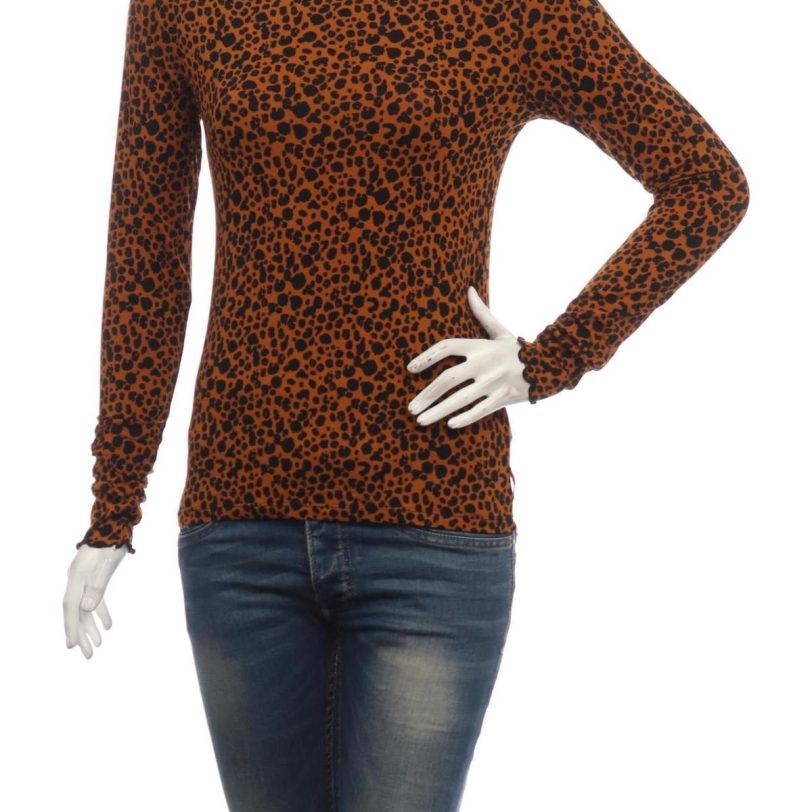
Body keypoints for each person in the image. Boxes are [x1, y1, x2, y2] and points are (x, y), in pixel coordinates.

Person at [63, 1, 749, 809]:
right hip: (241, 526)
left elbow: (706, 183)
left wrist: (553, 358)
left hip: (435, 526)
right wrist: (112, 508)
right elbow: (146, 258)